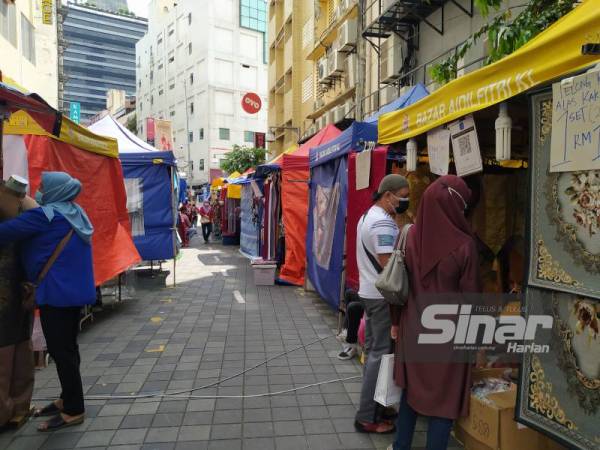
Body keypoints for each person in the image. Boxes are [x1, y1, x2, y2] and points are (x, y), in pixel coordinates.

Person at [389, 175, 480, 450]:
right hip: (448, 338)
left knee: (411, 393)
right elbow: (472, 302)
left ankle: (400, 445)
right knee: (444, 403)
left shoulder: (409, 235)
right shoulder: (465, 247)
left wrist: (395, 323)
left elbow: (396, 285)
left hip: (412, 328)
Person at [0, 172, 96, 432]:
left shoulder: (45, 216)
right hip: (75, 293)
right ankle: (67, 397)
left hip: (57, 295)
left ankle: (74, 409)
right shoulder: (74, 212)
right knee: (69, 348)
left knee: (61, 351)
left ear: (55, 191)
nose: (39, 190)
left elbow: (5, 232)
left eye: (43, 187)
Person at [354, 174, 410, 434]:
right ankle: (367, 417)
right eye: (403, 195)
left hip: (368, 291)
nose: (405, 201)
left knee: (374, 352)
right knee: (378, 355)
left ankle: (377, 406)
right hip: (381, 298)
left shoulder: (367, 216)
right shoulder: (383, 224)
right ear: (388, 195)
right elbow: (389, 265)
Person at [0, 175, 35, 430]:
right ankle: (19, 407)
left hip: (13, 290)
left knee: (9, 349)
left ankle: (8, 410)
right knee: (20, 346)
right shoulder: (28, 212)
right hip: (20, 289)